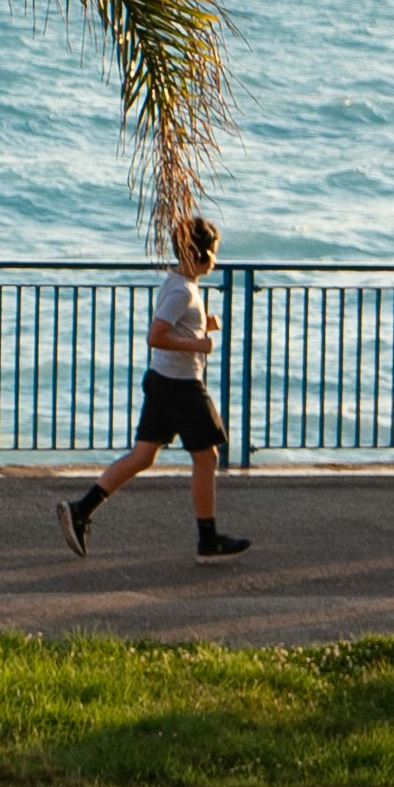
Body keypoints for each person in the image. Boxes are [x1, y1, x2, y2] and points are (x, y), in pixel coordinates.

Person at [59, 216, 249, 563]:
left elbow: (175, 324)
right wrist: (199, 346)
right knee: (207, 457)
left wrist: (203, 324)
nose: (215, 262)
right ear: (197, 254)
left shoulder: (180, 283)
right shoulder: (180, 290)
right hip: (181, 384)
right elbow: (156, 336)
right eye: (212, 254)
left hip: (163, 381)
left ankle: (81, 509)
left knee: (143, 456)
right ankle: (208, 541)